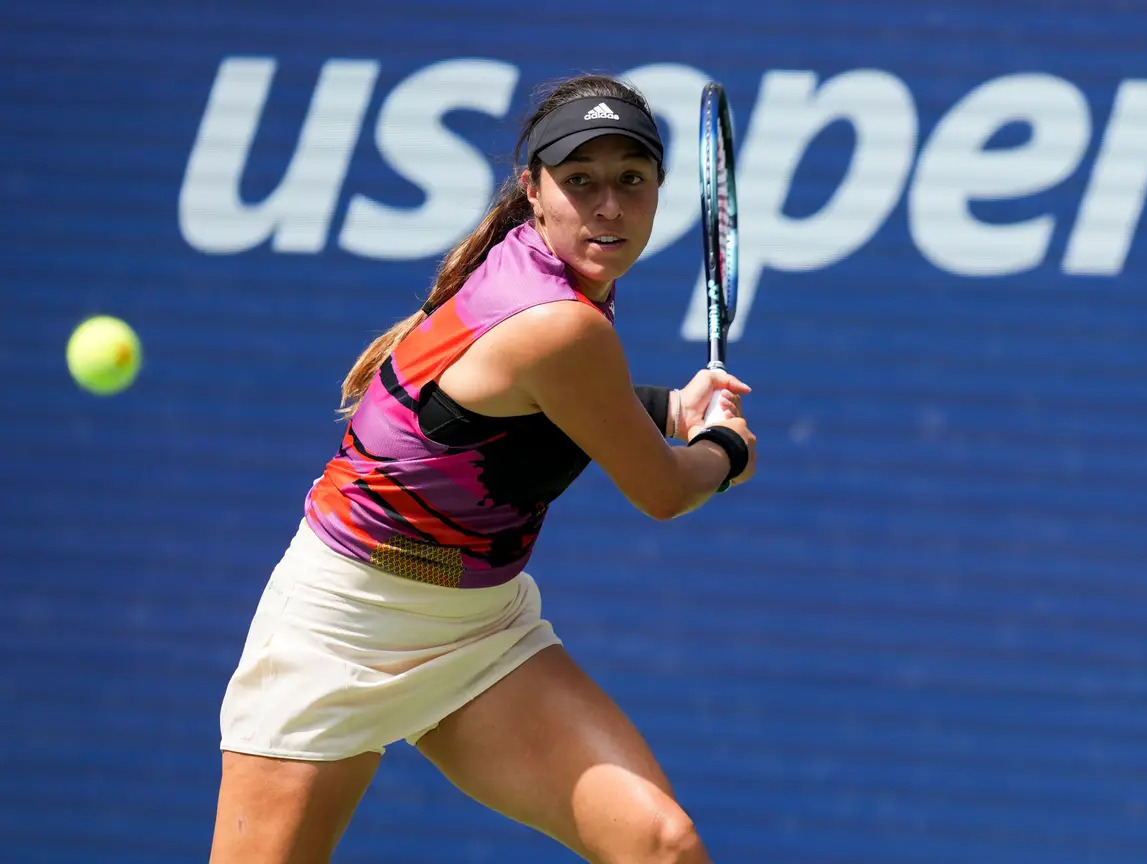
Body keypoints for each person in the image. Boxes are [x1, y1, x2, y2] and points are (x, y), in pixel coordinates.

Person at [210, 73, 757, 864]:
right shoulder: (560, 323)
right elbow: (665, 491)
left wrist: (674, 407)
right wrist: (725, 449)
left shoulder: (528, 267)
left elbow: (521, 404)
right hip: (341, 629)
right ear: (534, 189)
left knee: (661, 846)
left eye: (631, 180)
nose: (608, 206)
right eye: (581, 182)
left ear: (658, 190)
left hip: (477, 633)